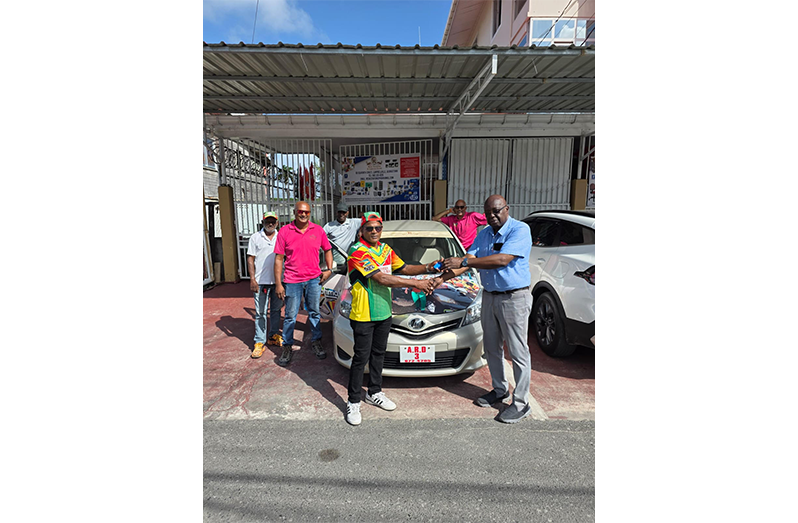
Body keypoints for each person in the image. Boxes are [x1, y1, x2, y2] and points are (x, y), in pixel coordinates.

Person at [442, 195, 534, 424]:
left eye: (496, 211)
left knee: (518, 351)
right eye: (488, 212)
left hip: (514, 298)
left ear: (507, 209)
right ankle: (500, 389)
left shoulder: (519, 230)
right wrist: (438, 279)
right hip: (490, 296)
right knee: (492, 348)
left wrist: (463, 262)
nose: (492, 216)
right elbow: (470, 257)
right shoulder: (484, 233)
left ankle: (521, 403)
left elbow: (502, 259)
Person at [344, 211, 439, 426]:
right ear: (362, 230)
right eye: (370, 228)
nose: (375, 231)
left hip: (384, 312)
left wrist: (428, 267)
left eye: (378, 228)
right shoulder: (357, 251)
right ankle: (353, 401)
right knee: (361, 358)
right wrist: (416, 284)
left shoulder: (385, 249)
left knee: (379, 354)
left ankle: (374, 392)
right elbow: (382, 278)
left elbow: (404, 268)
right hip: (363, 314)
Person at [274, 201, 334, 367]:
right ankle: (287, 345)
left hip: (314, 279)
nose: (303, 214)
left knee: (315, 312)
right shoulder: (285, 232)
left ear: (310, 213)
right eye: (300, 211)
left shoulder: (318, 230)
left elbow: (328, 249)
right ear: (295, 212)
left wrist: (329, 269)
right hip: (292, 281)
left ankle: (316, 341)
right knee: (290, 315)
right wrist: (278, 284)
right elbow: (279, 259)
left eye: (307, 212)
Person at [246, 211, 284, 359]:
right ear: (263, 222)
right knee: (261, 312)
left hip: (277, 282)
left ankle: (273, 335)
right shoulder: (255, 238)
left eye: (273, 221)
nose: (270, 223)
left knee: (276, 310)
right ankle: (259, 341)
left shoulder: (281, 236)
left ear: (277, 222)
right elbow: (250, 259)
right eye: (268, 221)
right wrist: (252, 279)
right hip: (260, 282)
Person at [323, 202, 361, 268]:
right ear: (336, 213)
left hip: (351, 259)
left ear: (347, 213)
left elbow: (369, 220)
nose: (341, 214)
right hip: (337, 262)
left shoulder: (354, 223)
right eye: (339, 212)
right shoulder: (329, 226)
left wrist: (361, 230)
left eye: (344, 212)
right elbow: (320, 236)